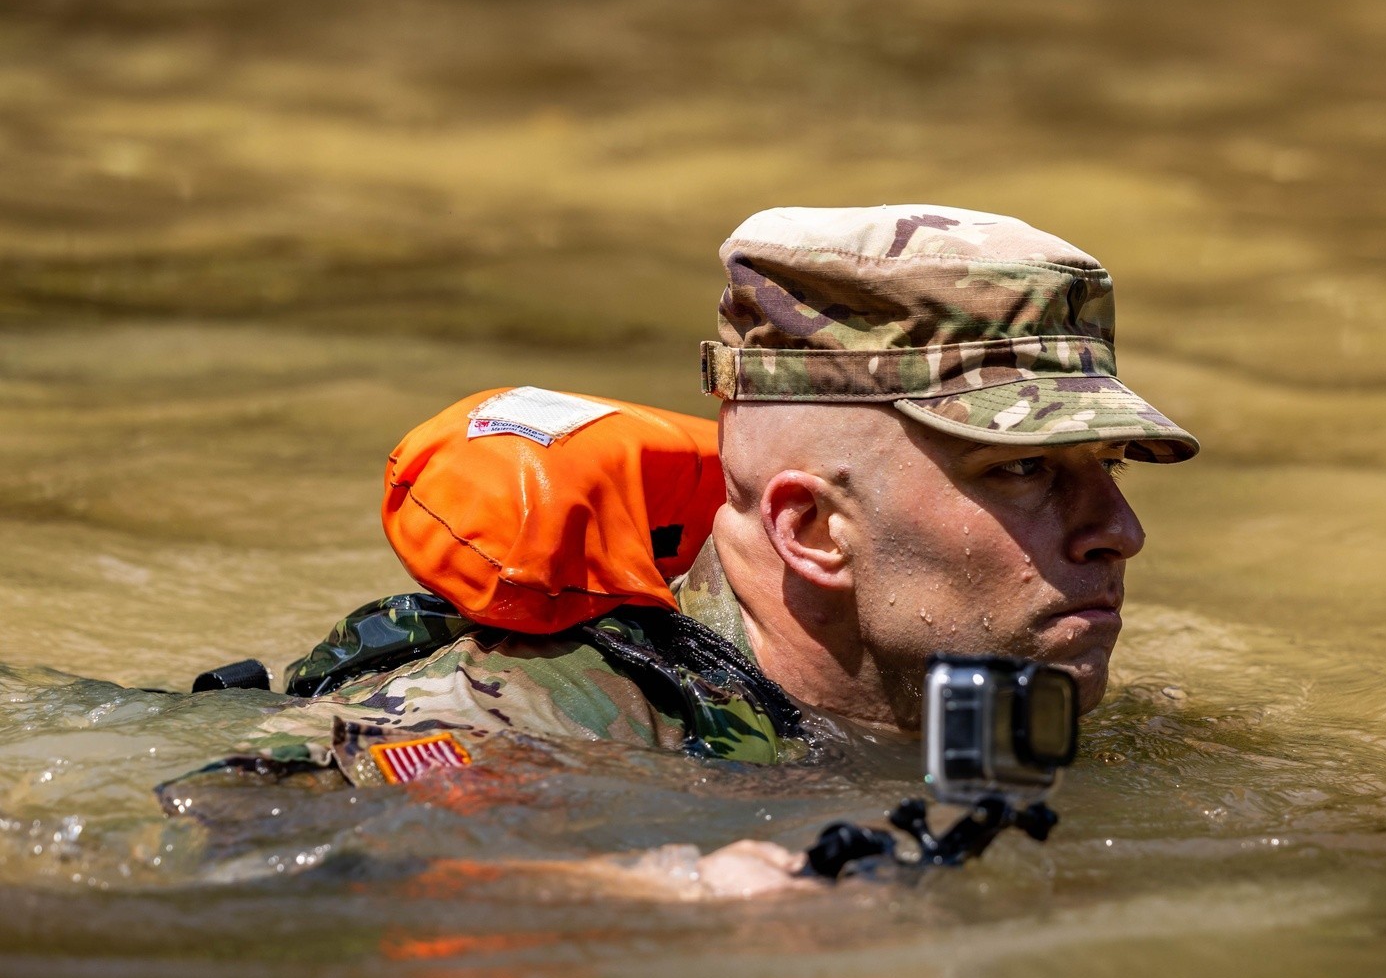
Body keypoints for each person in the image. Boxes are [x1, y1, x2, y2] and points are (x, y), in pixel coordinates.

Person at [165, 206, 1198, 847]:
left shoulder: (990, 688)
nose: (1118, 529)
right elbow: (224, 824)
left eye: (1100, 467)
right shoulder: (529, 722)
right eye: (1021, 470)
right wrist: (639, 899)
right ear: (813, 531)